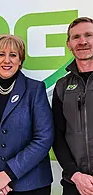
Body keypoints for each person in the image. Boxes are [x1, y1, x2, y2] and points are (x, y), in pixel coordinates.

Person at [0, 34, 54, 195]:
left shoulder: (35, 90)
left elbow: (44, 137)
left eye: (13, 55)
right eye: (1, 54)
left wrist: (8, 174)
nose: (7, 60)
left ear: (20, 61)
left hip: (31, 186)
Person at [52, 17, 93, 195]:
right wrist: (75, 175)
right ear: (68, 44)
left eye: (88, 35)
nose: (82, 41)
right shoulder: (61, 86)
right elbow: (57, 136)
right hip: (74, 184)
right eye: (76, 37)